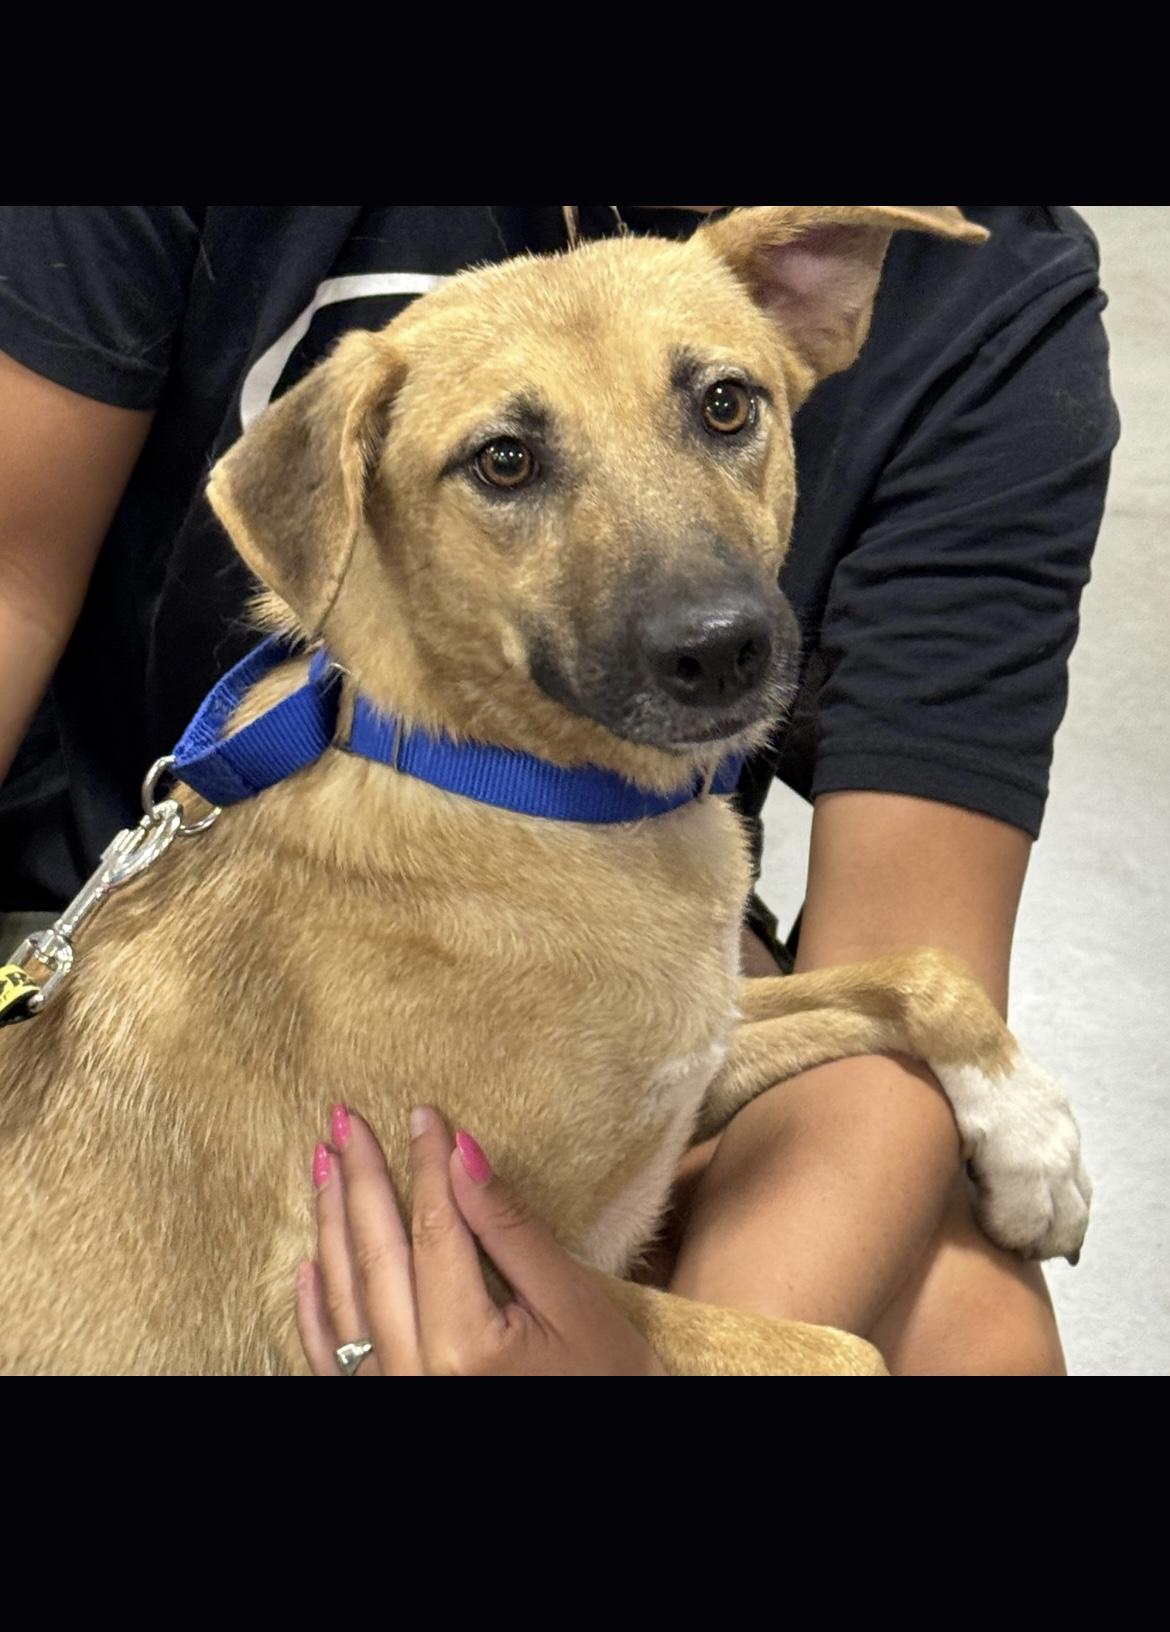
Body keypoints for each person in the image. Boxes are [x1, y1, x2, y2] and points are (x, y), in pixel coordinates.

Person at [0, 205, 1120, 1375]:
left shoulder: (996, 298)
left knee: (983, 1338)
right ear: (345, 495)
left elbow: (756, 998)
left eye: (722, 409)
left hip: (635, 862)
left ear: (814, 308)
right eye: (510, 463)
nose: (706, 622)